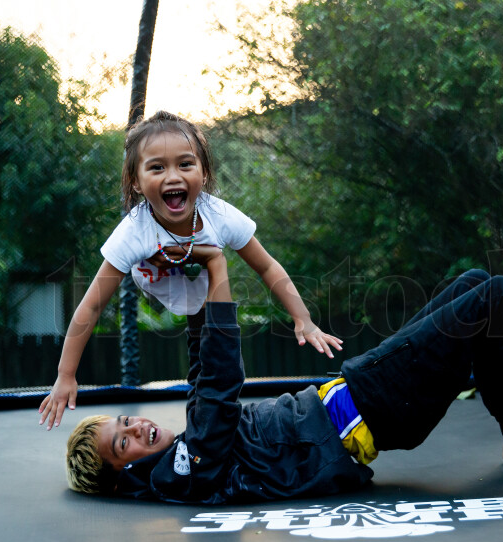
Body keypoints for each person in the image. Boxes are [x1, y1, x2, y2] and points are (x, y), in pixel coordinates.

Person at [64, 252, 503, 502]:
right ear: (126, 476)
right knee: (496, 297)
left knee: (474, 285)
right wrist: (215, 270)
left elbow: (201, 386)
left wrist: (192, 298)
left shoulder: (188, 459)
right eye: (123, 443)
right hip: (373, 408)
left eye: (125, 421)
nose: (136, 427)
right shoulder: (184, 470)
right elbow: (215, 386)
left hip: (360, 399)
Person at [40, 111, 342, 430]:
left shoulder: (218, 215)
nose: (173, 176)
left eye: (185, 164)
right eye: (157, 167)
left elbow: (266, 265)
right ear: (136, 182)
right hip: (157, 278)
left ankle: (203, 425)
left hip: (205, 282)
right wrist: (66, 374)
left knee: (217, 363)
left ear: (204, 172)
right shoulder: (133, 231)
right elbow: (92, 305)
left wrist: (303, 319)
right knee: (206, 336)